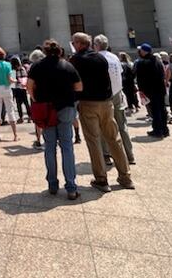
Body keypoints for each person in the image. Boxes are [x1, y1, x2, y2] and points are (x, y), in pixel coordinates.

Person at [70, 33, 134, 192]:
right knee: (114, 139)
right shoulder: (101, 58)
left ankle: (101, 179)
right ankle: (125, 177)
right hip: (107, 103)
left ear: (78, 44)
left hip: (88, 103)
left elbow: (74, 83)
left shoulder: (76, 60)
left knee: (94, 141)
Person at [27, 39, 81, 200]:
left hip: (46, 110)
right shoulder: (68, 66)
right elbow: (79, 87)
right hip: (65, 108)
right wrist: (71, 99)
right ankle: (71, 187)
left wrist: (36, 100)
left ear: (44, 51)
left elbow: (29, 86)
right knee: (67, 148)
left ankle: (52, 184)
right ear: (59, 51)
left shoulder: (37, 66)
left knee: (49, 147)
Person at [94, 35, 135, 165]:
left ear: (96, 45)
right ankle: (129, 155)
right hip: (117, 93)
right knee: (121, 125)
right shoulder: (114, 57)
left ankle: (106, 155)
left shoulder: (96, 58)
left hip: (104, 94)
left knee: (103, 125)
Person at [135, 43, 169, 138]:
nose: (139, 52)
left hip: (150, 90)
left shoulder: (142, 62)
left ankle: (157, 130)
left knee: (155, 110)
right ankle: (165, 129)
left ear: (144, 51)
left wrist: (141, 90)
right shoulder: (158, 62)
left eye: (141, 50)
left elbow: (140, 78)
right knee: (162, 109)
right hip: (160, 89)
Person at [0, 48, 18, 141]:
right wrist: (15, 80)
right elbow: (10, 79)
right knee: (10, 111)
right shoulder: (8, 64)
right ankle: (15, 135)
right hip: (6, 89)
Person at [28, 49, 47, 148]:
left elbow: (29, 85)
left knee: (38, 119)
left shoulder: (33, 67)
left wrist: (32, 97)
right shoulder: (49, 66)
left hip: (37, 96)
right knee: (49, 117)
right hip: (49, 96)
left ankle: (38, 140)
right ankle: (49, 139)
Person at [10, 57, 31, 124]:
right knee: (26, 103)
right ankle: (30, 116)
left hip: (17, 89)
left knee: (18, 104)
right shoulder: (22, 68)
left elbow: (13, 83)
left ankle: (21, 117)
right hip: (23, 88)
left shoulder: (13, 70)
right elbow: (25, 77)